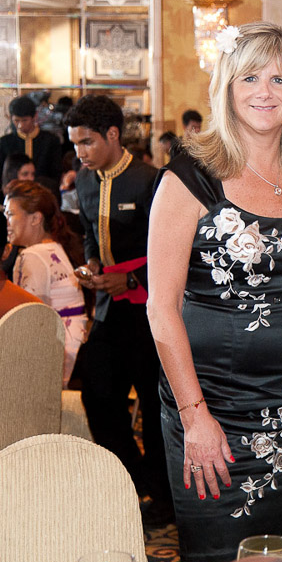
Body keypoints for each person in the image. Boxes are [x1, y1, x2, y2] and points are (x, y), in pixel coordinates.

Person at [147, 22, 282, 562]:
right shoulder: (190, 177)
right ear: (227, 86)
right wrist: (195, 415)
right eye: (250, 77)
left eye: (279, 79)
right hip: (210, 409)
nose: (264, 91)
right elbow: (161, 307)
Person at [66, 95, 170, 526]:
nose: (80, 153)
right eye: (74, 144)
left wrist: (129, 280)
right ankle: (135, 482)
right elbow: (90, 233)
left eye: (87, 142)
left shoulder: (151, 180)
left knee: (154, 404)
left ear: (112, 135)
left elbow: (173, 250)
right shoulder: (85, 182)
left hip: (149, 310)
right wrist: (92, 265)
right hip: (108, 308)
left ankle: (165, 501)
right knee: (98, 395)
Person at [4, 180, 87, 386]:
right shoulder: (54, 248)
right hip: (75, 349)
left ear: (35, 218)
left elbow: (31, 321)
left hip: (58, 356)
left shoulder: (32, 255)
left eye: (11, 214)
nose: (6, 222)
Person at [0, 95, 63, 183]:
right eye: (16, 120)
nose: (20, 125)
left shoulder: (50, 141)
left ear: (35, 117)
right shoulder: (5, 143)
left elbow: (56, 173)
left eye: (24, 120)